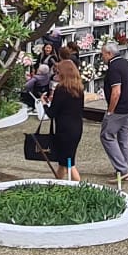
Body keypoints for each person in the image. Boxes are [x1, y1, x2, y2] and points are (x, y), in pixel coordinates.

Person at [98, 39, 128, 184]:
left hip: (119, 109)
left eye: (103, 54)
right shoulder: (126, 63)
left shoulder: (113, 68)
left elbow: (116, 92)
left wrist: (110, 111)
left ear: (109, 53)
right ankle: (125, 169)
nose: (102, 57)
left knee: (106, 135)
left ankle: (123, 169)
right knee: (124, 138)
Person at [44, 50, 85, 182]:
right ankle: (57, 184)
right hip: (77, 127)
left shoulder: (61, 90)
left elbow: (52, 113)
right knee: (64, 161)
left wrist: (44, 103)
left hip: (64, 130)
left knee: (69, 163)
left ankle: (80, 187)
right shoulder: (79, 89)